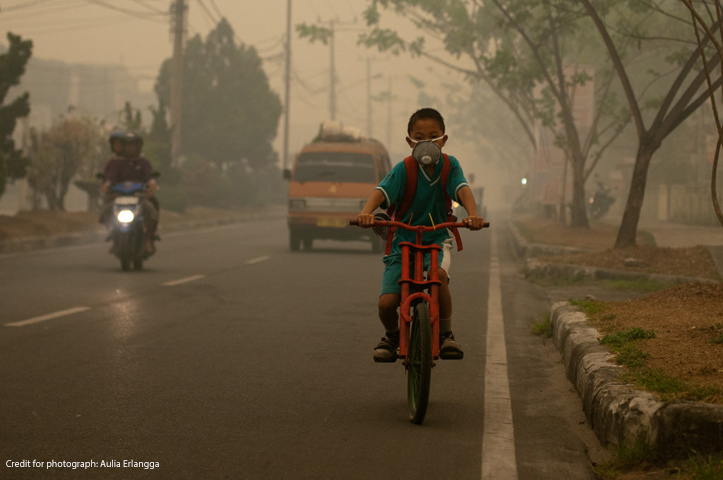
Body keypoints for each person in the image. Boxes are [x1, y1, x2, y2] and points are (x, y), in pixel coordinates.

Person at [356, 108, 485, 362]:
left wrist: (473, 214)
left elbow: (463, 190)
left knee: (439, 277)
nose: (426, 143)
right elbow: (381, 191)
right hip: (402, 241)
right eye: (419, 137)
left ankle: (446, 334)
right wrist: (366, 212)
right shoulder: (403, 168)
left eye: (433, 136)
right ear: (409, 142)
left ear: (444, 140)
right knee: (386, 303)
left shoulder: (450, 165)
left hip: (438, 238)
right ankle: (392, 335)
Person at [100, 131, 159, 255]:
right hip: (119, 197)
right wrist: (106, 185)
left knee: (150, 209)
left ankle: (148, 238)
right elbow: (110, 177)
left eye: (133, 145)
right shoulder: (116, 163)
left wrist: (152, 184)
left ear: (138, 146)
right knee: (106, 210)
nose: (130, 148)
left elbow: (150, 176)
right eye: (127, 145)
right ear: (123, 147)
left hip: (139, 197)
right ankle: (113, 234)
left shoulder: (144, 162)